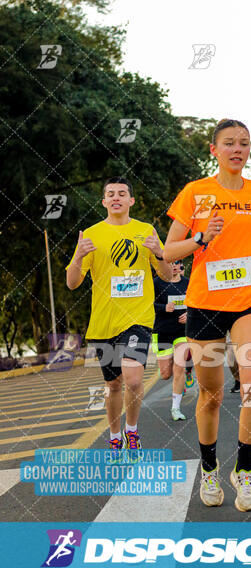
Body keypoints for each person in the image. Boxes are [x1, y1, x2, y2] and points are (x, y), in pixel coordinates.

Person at [164, 118, 251, 512]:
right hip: (204, 302)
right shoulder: (196, 192)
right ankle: (209, 467)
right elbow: (169, 252)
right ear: (214, 150)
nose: (238, 149)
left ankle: (245, 471)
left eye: (244, 143)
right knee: (211, 394)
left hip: (248, 301)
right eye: (229, 143)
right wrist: (203, 236)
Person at [66, 177, 172, 452]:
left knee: (134, 378)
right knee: (113, 385)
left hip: (137, 318)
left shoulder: (145, 230)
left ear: (131, 200)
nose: (116, 197)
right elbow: (72, 283)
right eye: (110, 194)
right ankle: (114, 436)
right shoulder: (90, 235)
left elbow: (168, 275)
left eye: (122, 193)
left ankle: (132, 430)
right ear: (103, 201)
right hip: (104, 323)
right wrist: (77, 257)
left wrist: (159, 253)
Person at [152, 259, 191, 421]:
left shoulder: (187, 283)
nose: (174, 266)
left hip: (182, 332)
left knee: (179, 367)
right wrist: (163, 308)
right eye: (171, 263)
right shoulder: (157, 283)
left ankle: (176, 408)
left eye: (177, 263)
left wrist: (189, 314)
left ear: (181, 266)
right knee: (166, 374)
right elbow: (147, 303)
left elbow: (196, 302)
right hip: (162, 332)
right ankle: (181, 380)